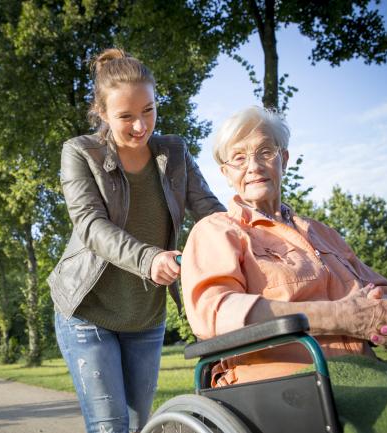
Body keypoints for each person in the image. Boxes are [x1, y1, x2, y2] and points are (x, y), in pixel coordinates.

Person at [181, 105, 387, 385]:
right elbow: (217, 313)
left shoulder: (323, 232)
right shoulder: (217, 231)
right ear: (226, 174)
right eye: (239, 158)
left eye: (265, 152)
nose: (254, 166)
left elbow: (382, 289)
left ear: (283, 160)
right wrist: (341, 317)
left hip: (368, 373)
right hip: (285, 386)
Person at [48, 48, 225, 433]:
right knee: (111, 427)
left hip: (145, 316)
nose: (141, 126)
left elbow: (211, 212)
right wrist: (149, 259)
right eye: (126, 116)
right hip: (88, 311)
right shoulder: (81, 154)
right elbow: (90, 225)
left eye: (148, 110)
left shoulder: (174, 152)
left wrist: (254, 228)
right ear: (103, 114)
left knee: (137, 423)